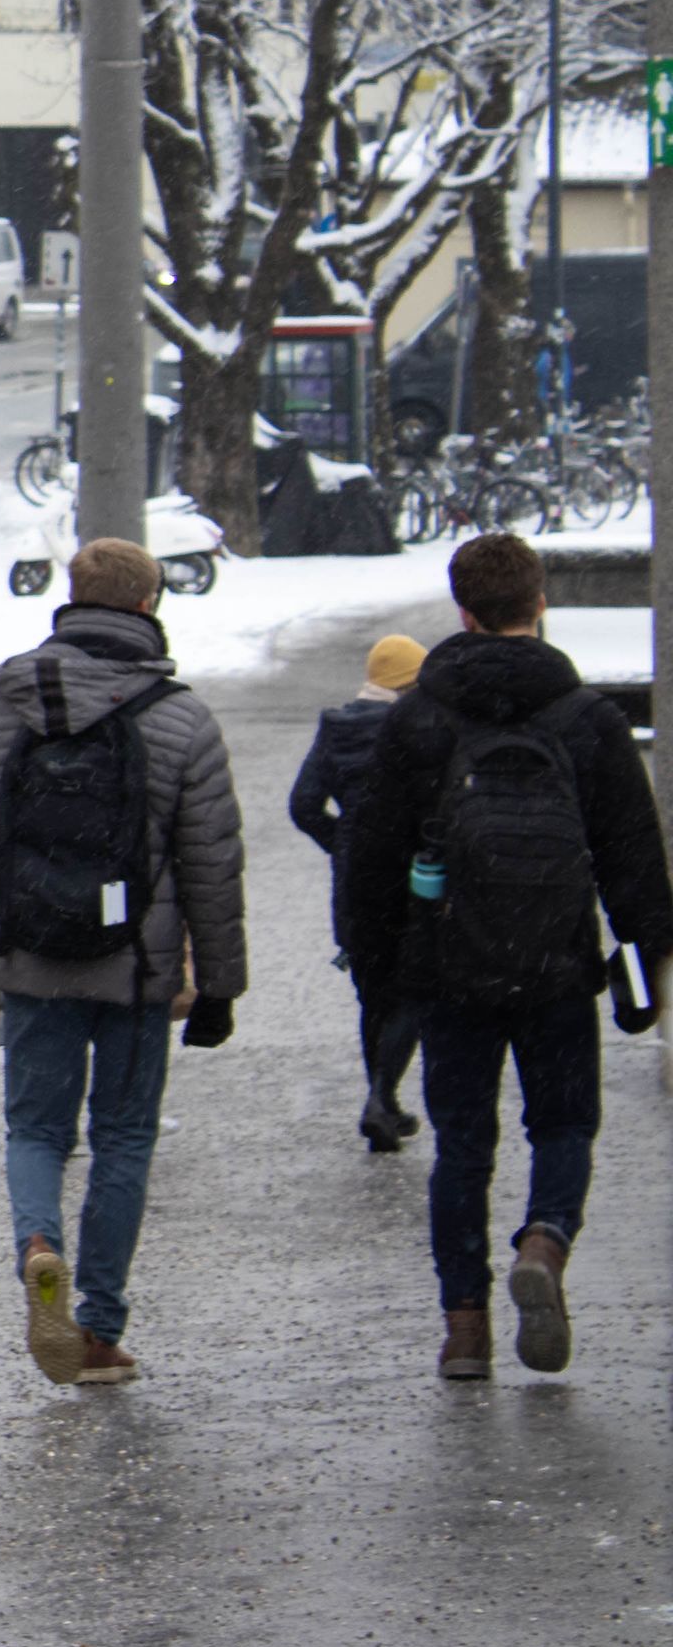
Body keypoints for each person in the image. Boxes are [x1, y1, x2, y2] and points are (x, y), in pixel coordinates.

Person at [337, 534, 672, 1380]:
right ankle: (545, 1241)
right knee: (562, 1122)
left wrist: (380, 968)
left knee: (462, 1145)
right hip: (558, 963)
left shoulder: (420, 717)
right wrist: (642, 971)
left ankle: (465, 1329)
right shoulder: (587, 718)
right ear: (540, 603)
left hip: (450, 965)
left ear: (463, 611)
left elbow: (370, 856)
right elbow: (634, 861)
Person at [0, 536, 247, 1388]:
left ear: (69, 599)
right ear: (150, 606)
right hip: (136, 968)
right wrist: (219, 983)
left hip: (32, 958)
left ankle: (40, 1242)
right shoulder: (180, 717)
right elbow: (213, 862)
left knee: (37, 1129)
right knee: (123, 1138)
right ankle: (100, 1329)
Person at [291, 632, 430, 1153]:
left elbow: (304, 805)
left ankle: (387, 1109)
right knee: (416, 991)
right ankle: (379, 1095)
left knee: (373, 996)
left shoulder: (337, 728)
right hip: (411, 876)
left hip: (355, 882)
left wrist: (342, 844)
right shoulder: (413, 726)